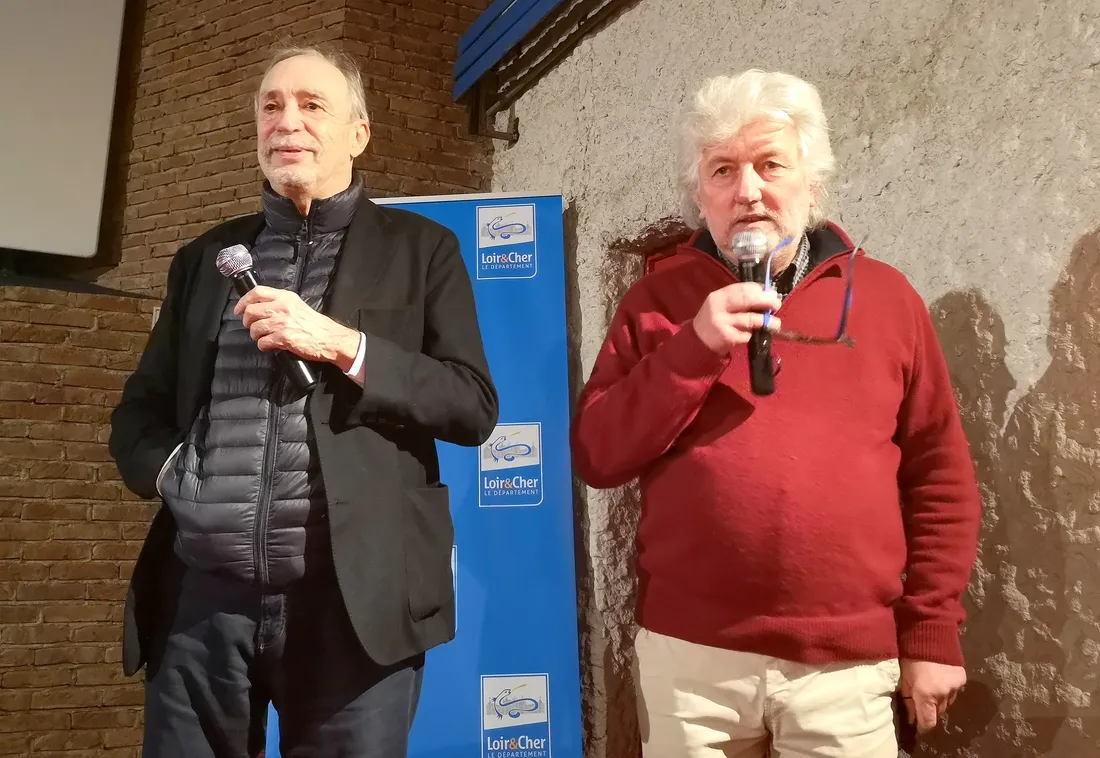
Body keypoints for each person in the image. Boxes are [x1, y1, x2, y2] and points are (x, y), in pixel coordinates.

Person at [570, 70, 981, 757]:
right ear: (701, 195)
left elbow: (940, 477)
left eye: (769, 165)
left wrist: (932, 633)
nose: (748, 190)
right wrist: (694, 347)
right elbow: (599, 456)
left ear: (811, 181)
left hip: (846, 670)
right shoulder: (656, 305)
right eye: (723, 170)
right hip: (693, 664)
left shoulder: (887, 300)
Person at [109, 45, 498, 758]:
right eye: (271, 106)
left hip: (351, 603)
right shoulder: (205, 258)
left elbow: (471, 405)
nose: (287, 121)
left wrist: (342, 345)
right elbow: (139, 412)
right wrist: (174, 476)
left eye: (312, 105)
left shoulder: (422, 250)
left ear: (359, 132)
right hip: (202, 603)